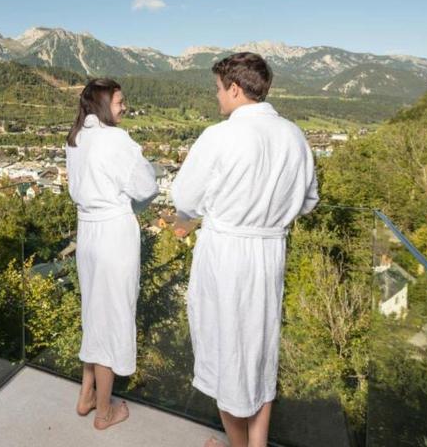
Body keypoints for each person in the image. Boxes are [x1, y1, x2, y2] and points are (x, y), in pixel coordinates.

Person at [170, 53, 319, 447]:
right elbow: (309, 200)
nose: (217, 97)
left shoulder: (219, 136)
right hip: (270, 254)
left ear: (234, 88)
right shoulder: (294, 135)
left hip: (227, 255)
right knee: (259, 351)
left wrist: (212, 212)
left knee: (227, 354)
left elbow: (185, 197)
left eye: (218, 89)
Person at [65, 78, 159, 430]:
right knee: (110, 320)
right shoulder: (115, 140)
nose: (124, 106)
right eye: (120, 101)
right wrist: (132, 200)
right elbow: (146, 186)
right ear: (104, 104)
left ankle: (86, 395)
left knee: (94, 314)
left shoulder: (76, 138)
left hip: (87, 234)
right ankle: (104, 413)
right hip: (113, 236)